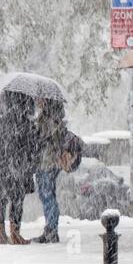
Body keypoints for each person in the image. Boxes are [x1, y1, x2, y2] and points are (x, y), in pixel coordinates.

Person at [32, 98, 83, 243]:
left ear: (47, 102)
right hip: (47, 162)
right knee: (47, 195)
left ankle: (51, 231)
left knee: (47, 196)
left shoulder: (50, 118)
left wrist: (41, 137)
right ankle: (50, 229)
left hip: (48, 162)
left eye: (41, 100)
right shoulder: (49, 116)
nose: (38, 101)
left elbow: (52, 140)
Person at [0, 91, 42, 245]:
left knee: (2, 199)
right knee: (16, 200)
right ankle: (15, 233)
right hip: (20, 168)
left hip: (3, 167)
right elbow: (34, 148)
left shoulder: (3, 121)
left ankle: (1, 234)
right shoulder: (27, 124)